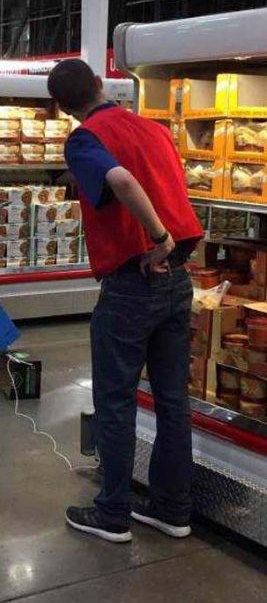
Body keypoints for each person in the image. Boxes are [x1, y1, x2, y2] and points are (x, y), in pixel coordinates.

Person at [47, 59, 203, 543]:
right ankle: (172, 509)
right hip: (178, 282)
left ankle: (113, 513)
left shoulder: (85, 139)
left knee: (115, 401)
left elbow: (121, 181)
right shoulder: (156, 130)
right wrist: (171, 243)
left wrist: (157, 236)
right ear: (100, 84)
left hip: (133, 283)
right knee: (173, 401)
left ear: (62, 107)